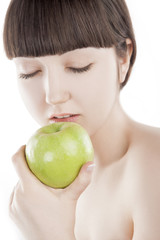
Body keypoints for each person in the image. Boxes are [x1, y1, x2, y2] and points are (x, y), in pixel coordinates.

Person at [3, 0, 160, 239]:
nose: (54, 95)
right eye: (29, 71)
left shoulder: (153, 167)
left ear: (123, 59)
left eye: (78, 67)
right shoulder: (36, 194)